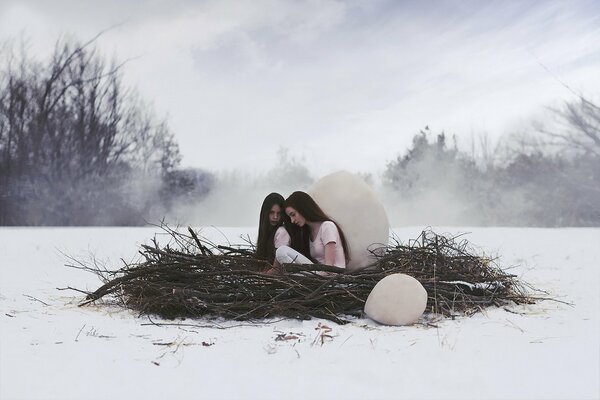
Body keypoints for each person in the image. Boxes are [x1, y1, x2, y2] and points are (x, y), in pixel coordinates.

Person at [267, 191, 349, 275]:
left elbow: (329, 268)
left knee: (281, 251)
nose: (292, 220)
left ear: (303, 208)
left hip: (331, 278)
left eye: (293, 214)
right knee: (282, 255)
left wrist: (311, 277)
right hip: (318, 275)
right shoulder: (308, 232)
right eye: (290, 217)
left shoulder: (327, 226)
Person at [256, 193, 291, 264]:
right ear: (265, 213)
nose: (275, 217)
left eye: (279, 213)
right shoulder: (267, 233)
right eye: (271, 212)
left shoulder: (281, 232)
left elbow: (278, 268)